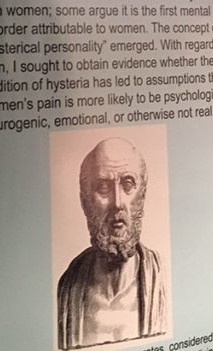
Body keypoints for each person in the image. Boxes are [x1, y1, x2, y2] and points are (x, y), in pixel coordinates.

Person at [58, 137, 168, 350]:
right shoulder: (67, 288)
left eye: (128, 184)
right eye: (103, 187)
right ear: (84, 201)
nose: (117, 203)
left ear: (142, 195)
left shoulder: (163, 276)